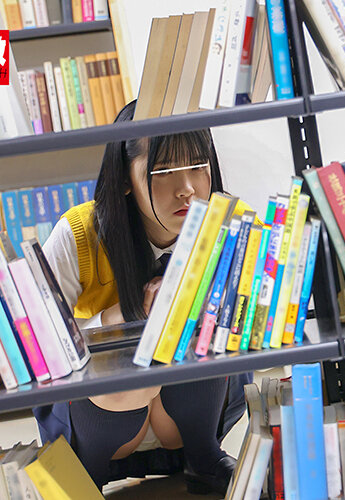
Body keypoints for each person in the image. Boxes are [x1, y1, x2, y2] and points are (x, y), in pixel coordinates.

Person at [34, 100, 251, 494]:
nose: (187, 189)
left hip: (189, 414)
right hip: (104, 413)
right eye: (164, 171)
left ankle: (204, 457)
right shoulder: (79, 233)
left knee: (199, 344)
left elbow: (262, 325)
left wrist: (207, 308)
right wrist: (118, 319)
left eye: (198, 166)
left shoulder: (233, 226)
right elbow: (37, 343)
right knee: (130, 378)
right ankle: (87, 476)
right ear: (123, 178)